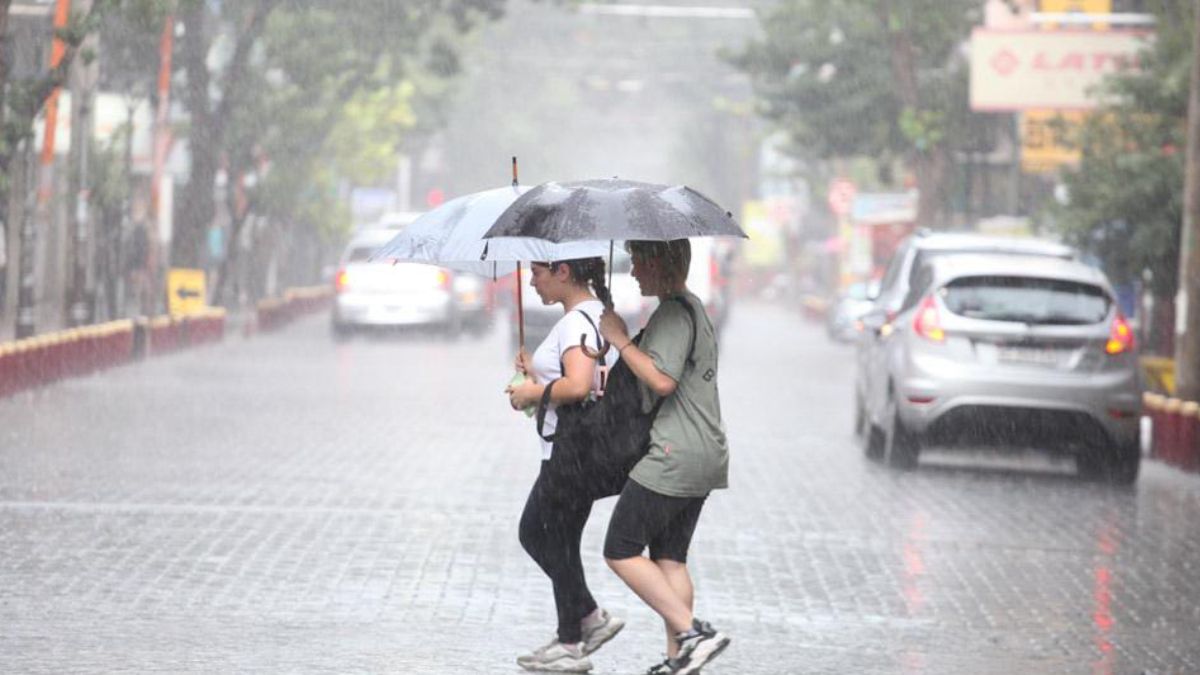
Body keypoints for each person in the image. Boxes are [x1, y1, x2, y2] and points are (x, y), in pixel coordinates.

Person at [597, 239, 731, 675]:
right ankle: (681, 659)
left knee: (620, 548)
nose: (634, 271)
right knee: (669, 558)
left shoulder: (674, 312)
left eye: (638, 261)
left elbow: (662, 380)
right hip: (702, 453)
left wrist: (618, 339)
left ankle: (694, 633)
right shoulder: (691, 309)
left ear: (660, 261)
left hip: (673, 453)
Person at [505, 257, 625, 672]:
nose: (532, 282)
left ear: (564, 272)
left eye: (537, 273)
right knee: (558, 541)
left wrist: (532, 393)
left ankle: (579, 631)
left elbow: (576, 386)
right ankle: (575, 630)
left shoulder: (575, 322)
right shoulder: (599, 316)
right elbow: (586, 378)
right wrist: (535, 373)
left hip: (569, 451)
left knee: (538, 535)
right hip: (584, 450)